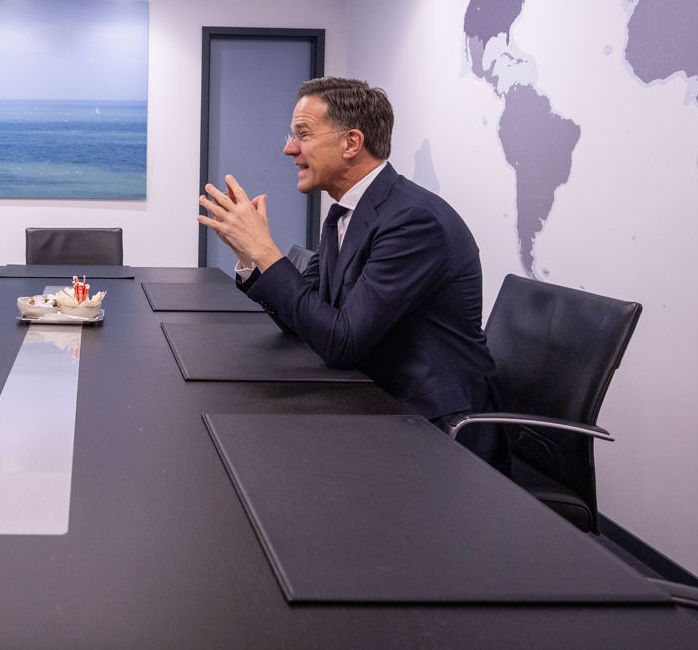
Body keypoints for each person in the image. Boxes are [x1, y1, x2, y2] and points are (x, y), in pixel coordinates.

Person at [198, 77, 504, 466]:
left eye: (302, 134)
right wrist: (252, 257)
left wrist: (267, 250)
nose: (289, 148)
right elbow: (303, 319)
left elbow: (341, 343)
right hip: (373, 399)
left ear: (351, 143)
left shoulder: (413, 222)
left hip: (432, 427)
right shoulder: (347, 211)